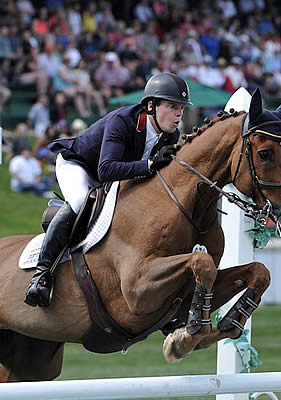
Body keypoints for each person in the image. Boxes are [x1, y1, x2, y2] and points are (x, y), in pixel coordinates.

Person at [24, 72, 193, 308]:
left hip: (115, 176)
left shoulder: (170, 135)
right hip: (80, 165)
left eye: (182, 109)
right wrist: (150, 165)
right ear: (151, 106)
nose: (179, 114)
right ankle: (41, 276)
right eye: (173, 106)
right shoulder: (122, 121)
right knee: (83, 201)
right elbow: (106, 170)